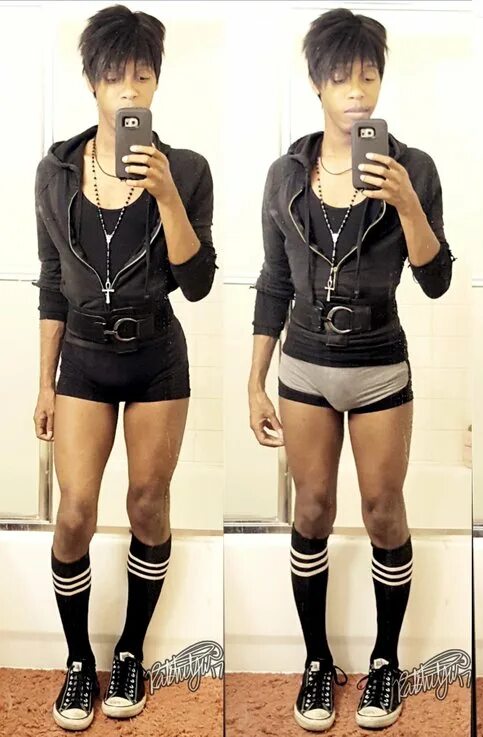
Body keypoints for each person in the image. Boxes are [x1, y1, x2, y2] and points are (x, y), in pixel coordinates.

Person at [246, 8, 453, 732]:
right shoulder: (286, 175)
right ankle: (316, 660)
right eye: (341, 78)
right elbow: (274, 282)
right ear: (317, 85)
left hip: (378, 366)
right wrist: (253, 380)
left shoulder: (413, 168)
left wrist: (408, 205)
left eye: (368, 76)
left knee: (383, 510)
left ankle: (386, 660)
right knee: (310, 509)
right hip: (303, 364)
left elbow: (436, 281)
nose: (357, 91)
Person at [32, 4, 217, 730]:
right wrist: (43, 382)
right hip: (82, 357)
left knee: (147, 501)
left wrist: (167, 194)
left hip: (156, 357)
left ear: (157, 83)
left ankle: (132, 648)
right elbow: (52, 281)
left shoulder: (187, 170)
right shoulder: (55, 172)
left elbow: (197, 282)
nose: (130, 89)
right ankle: (79, 659)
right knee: (75, 510)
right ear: (93, 83)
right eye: (116, 76)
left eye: (143, 75)